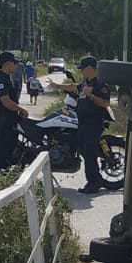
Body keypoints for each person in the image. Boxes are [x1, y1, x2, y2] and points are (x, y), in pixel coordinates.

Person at [55, 56, 113, 193]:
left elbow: (105, 103)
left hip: (93, 124)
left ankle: (95, 182)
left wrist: (91, 96)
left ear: (90, 69)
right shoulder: (85, 83)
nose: (81, 72)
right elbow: (74, 87)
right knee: (85, 153)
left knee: (90, 154)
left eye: (83, 69)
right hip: (82, 124)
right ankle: (91, 181)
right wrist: (58, 85)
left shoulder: (100, 84)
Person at [0, 51, 29, 173]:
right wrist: (20, 109)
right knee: (3, 150)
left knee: (10, 148)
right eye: (14, 63)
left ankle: (4, 173)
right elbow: (5, 101)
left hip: (10, 120)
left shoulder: (7, 78)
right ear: (7, 64)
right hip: (4, 120)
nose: (16, 66)